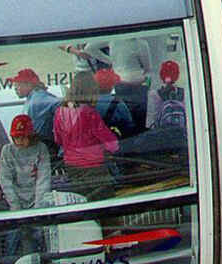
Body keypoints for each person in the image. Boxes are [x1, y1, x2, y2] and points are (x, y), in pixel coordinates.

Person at [54, 71, 119, 200]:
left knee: (83, 203)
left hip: (71, 166)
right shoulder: (89, 113)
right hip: (94, 167)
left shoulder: (60, 111)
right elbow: (111, 144)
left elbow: (58, 139)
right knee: (105, 206)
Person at [0, 115, 50, 261]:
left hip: (36, 200)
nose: (19, 141)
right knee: (13, 236)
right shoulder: (7, 151)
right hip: (15, 201)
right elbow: (5, 180)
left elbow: (43, 179)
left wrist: (38, 207)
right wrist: (15, 206)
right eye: (16, 137)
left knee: (40, 234)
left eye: (23, 137)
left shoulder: (41, 149)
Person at [8, 68, 61, 145]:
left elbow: (58, 103)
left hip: (43, 145)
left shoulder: (37, 99)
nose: (15, 88)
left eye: (18, 84)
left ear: (29, 84)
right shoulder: (34, 97)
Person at [146, 59, 187, 131]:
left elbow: (150, 124)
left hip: (163, 137)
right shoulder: (185, 93)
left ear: (161, 75)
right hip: (182, 136)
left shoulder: (154, 95)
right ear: (177, 75)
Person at [93, 69, 136, 138]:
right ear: (112, 85)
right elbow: (129, 124)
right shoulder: (118, 103)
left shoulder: (89, 102)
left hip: (92, 143)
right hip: (113, 142)